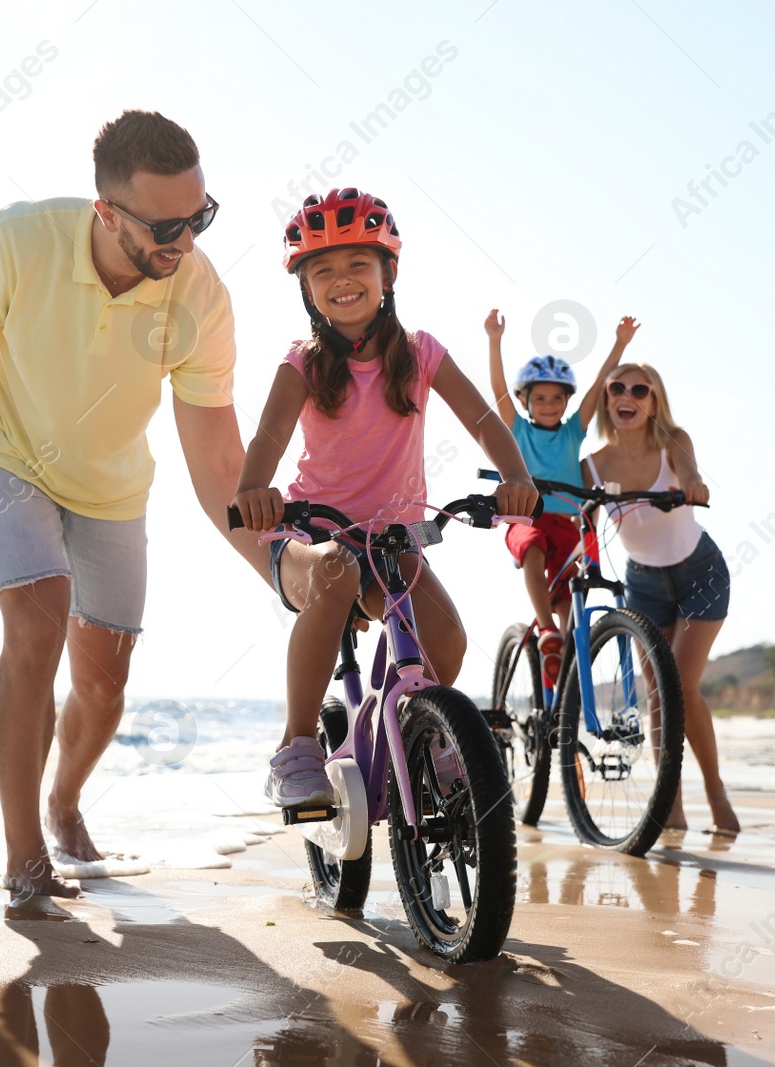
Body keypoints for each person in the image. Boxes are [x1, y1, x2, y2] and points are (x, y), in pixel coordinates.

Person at [0, 110, 266, 899]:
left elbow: (217, 457)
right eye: (166, 224)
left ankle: (65, 798)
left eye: (199, 217)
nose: (185, 240)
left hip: (112, 483)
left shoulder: (199, 295)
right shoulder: (17, 243)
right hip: (7, 453)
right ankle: (23, 858)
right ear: (106, 211)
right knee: (37, 617)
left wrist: (279, 564)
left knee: (104, 682)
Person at [232, 188, 538, 807]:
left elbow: (483, 420)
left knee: (447, 639)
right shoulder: (304, 364)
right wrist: (255, 493)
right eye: (323, 271)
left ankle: (415, 735)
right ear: (306, 289)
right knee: (337, 571)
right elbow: (263, 447)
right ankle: (296, 748)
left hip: (391, 541)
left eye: (356, 266)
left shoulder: (420, 353)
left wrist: (516, 477)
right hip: (311, 539)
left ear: (387, 274)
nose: (341, 281)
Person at [587, 362, 739, 834]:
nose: (626, 396)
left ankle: (715, 791)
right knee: (657, 694)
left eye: (639, 389)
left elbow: (690, 471)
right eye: (617, 388)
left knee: (680, 686)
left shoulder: (674, 442)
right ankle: (669, 804)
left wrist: (693, 485)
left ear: (654, 401)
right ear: (607, 398)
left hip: (701, 572)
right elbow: (579, 520)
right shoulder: (593, 465)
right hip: (644, 584)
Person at [485, 310, 640, 684]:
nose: (549, 404)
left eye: (557, 398)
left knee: (572, 598)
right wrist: (494, 340)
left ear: (567, 401)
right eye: (540, 398)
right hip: (527, 517)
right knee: (534, 549)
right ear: (526, 402)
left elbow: (599, 385)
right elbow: (498, 391)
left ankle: (562, 679)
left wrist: (620, 343)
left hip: (569, 524)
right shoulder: (518, 429)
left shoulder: (573, 433)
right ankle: (546, 630)